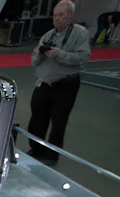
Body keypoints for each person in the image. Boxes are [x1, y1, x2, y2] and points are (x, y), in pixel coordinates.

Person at [27, 0, 90, 166]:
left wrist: (59, 54)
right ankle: (36, 149)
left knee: (58, 122)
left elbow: (83, 58)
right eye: (55, 15)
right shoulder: (48, 35)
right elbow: (34, 61)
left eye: (61, 15)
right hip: (44, 83)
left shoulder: (80, 33)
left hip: (66, 85)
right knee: (37, 118)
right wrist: (41, 52)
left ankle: (52, 155)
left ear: (71, 15)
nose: (57, 19)